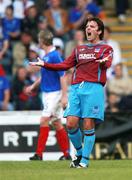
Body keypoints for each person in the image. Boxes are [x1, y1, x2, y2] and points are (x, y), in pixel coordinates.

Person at [29, 17, 113, 168]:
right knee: (70, 123)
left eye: (92, 26)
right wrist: (45, 64)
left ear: (99, 31)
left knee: (88, 124)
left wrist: (103, 62)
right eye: (87, 26)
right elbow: (64, 65)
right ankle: (79, 154)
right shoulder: (79, 49)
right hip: (75, 88)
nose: (88, 29)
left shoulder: (106, 49)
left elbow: (108, 61)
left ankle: (85, 161)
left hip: (94, 88)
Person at [26, 29, 71, 161]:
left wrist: (64, 96)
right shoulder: (46, 56)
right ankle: (67, 154)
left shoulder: (54, 56)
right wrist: (33, 86)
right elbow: (44, 75)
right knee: (56, 123)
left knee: (44, 120)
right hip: (48, 93)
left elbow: (62, 76)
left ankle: (39, 154)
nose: (38, 42)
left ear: (42, 41)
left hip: (54, 94)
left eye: (39, 40)